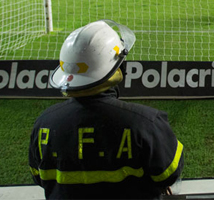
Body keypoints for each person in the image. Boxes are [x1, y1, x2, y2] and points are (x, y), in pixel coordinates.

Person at [29, 20, 184, 199]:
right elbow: (169, 174)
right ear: (120, 67)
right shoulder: (146, 123)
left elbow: (38, 177)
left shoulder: (43, 124)